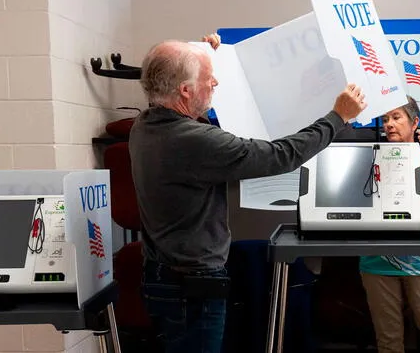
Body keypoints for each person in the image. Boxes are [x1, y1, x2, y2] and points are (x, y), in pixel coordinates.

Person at [128, 32, 367, 353]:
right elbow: (280, 155)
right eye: (207, 78)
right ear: (184, 90)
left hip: (165, 278)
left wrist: (209, 56)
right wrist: (338, 117)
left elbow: (186, 102)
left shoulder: (145, 125)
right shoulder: (192, 141)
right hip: (193, 287)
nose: (215, 82)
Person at [359, 96, 420, 353]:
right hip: (377, 258)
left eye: (396, 117)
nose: (389, 124)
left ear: (415, 122)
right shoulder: (370, 159)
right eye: (385, 119)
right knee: (389, 343)